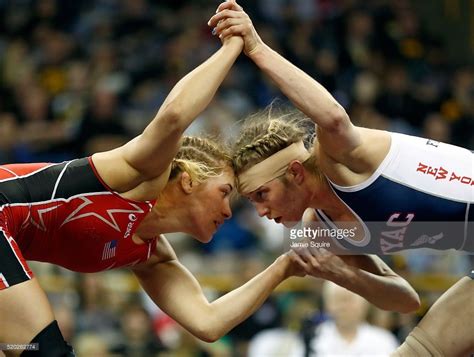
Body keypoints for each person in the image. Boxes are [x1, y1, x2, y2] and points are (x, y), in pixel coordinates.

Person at [0, 34, 305, 357]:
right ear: (189, 181)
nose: (229, 211)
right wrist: (234, 45)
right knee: (45, 353)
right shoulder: (144, 176)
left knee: (20, 348)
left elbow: (208, 322)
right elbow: (174, 116)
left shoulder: (151, 256)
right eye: (225, 192)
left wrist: (284, 267)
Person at [208, 2, 473, 356]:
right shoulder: (321, 228)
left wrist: (256, 47)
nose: (260, 211)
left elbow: (332, 117)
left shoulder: (338, 158)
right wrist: (338, 272)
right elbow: (404, 300)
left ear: (296, 173)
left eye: (261, 194)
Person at [310, 281, 399, 356]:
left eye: (347, 299)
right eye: (337, 300)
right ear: (327, 305)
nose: (343, 307)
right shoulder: (312, 339)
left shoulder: (384, 342)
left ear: (364, 303)